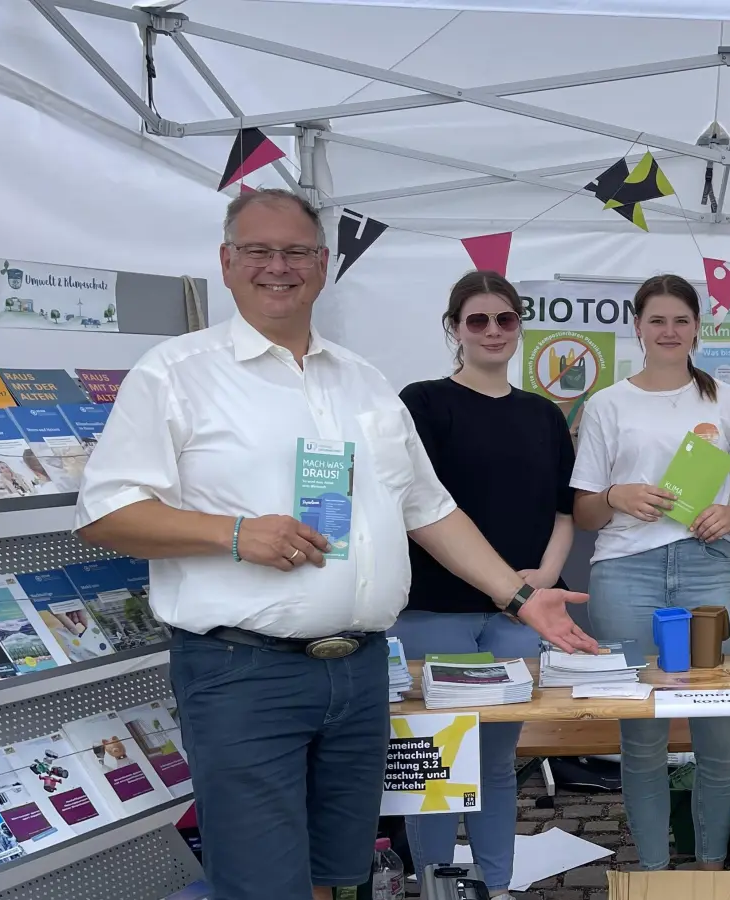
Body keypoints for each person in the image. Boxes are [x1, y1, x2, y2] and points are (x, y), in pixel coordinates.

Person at [72, 188, 597, 900]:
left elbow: (429, 509)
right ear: (227, 263)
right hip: (243, 674)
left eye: (295, 252)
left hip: (358, 675)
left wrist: (523, 597)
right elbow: (106, 512)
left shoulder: (364, 381)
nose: (277, 266)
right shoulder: (175, 373)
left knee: (338, 879)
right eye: (257, 250)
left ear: (322, 266)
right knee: (263, 885)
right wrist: (231, 534)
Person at [390, 269, 576, 900]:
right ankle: (439, 890)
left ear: (520, 326)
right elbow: (416, 512)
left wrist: (545, 578)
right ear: (455, 329)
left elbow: (562, 512)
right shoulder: (422, 403)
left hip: (518, 618)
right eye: (478, 320)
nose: (493, 331)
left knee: (497, 764)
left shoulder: (543, 415)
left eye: (506, 319)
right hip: (435, 611)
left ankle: (494, 887)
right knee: (436, 767)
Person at [569, 274, 730, 872]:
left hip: (706, 569)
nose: (669, 331)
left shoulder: (726, 400)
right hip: (626, 572)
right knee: (642, 734)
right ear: (637, 328)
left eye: (680, 320)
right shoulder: (607, 403)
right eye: (657, 321)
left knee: (721, 731)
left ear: (698, 327)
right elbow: (584, 510)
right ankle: (653, 871)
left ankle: (709, 870)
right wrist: (618, 495)